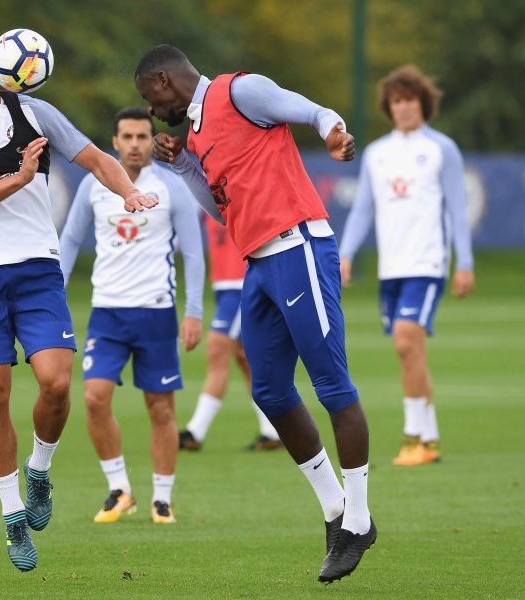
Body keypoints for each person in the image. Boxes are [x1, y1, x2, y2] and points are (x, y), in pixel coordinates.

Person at [134, 44, 375, 583]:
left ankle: (358, 519)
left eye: (149, 97)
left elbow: (311, 110)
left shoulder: (238, 91)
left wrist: (333, 132)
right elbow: (222, 209)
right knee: (269, 392)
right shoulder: (197, 135)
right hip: (259, 263)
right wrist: (183, 165)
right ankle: (335, 510)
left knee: (331, 384)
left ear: (166, 80)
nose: (151, 110)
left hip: (298, 244)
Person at [0, 30, 157, 572]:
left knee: (55, 382)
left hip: (36, 269)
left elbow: (96, 158)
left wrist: (129, 191)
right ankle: (12, 517)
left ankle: (40, 469)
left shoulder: (35, 114)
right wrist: (22, 176)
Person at [60, 107, 204, 525]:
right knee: (94, 398)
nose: (135, 144)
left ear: (152, 142)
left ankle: (162, 498)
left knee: (160, 409)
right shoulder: (93, 184)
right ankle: (120, 489)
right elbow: (69, 241)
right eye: (128, 137)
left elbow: (194, 254)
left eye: (143, 136)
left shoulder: (172, 187)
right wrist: (54, 293)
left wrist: (193, 312)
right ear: (115, 142)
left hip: (156, 312)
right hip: (107, 313)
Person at [339, 65, 474, 467]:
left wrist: (464, 262)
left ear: (423, 104)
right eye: (396, 101)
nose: (403, 107)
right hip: (392, 267)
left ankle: (414, 437)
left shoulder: (442, 149)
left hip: (427, 263)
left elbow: (458, 208)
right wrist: (345, 253)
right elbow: (363, 209)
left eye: (410, 99)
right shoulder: (377, 154)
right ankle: (430, 439)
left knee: (404, 340)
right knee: (411, 351)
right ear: (389, 107)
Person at [179, 214, 283, 452]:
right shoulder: (203, 196)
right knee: (246, 359)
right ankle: (272, 432)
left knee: (217, 348)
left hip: (242, 283)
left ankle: (195, 431)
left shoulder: (240, 193)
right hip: (223, 283)